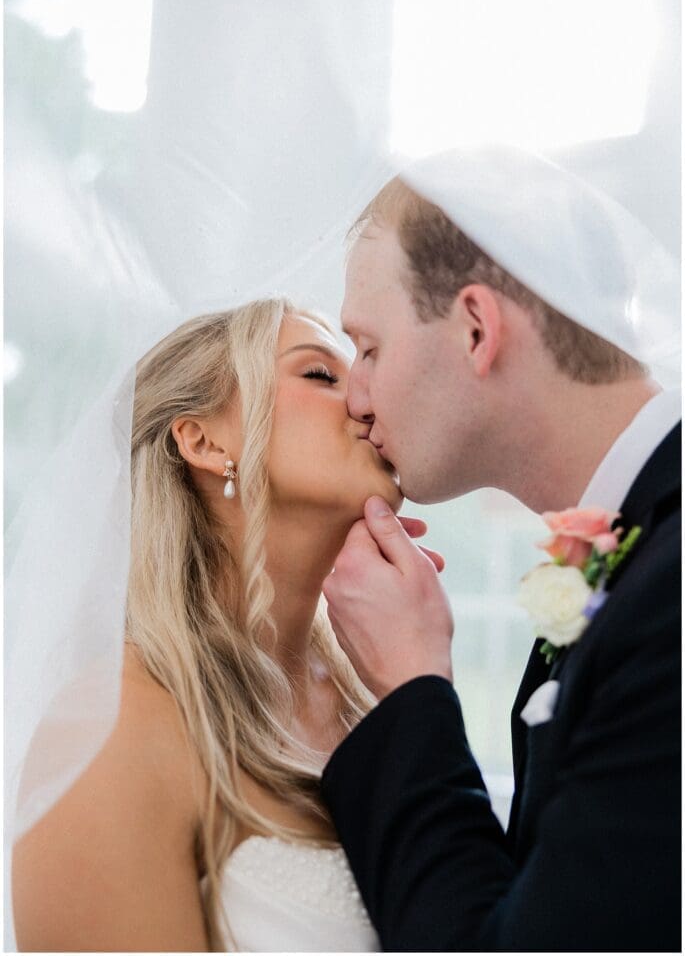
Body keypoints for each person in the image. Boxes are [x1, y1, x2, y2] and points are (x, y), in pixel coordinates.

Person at [321, 149, 681, 951]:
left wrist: (411, 681)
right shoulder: (629, 554)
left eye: (369, 349)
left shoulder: (671, 593)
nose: (354, 396)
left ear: (477, 328)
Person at [11, 298, 443, 952]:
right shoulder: (116, 726)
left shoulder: (379, 695)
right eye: (320, 376)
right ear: (205, 441)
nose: (366, 397)